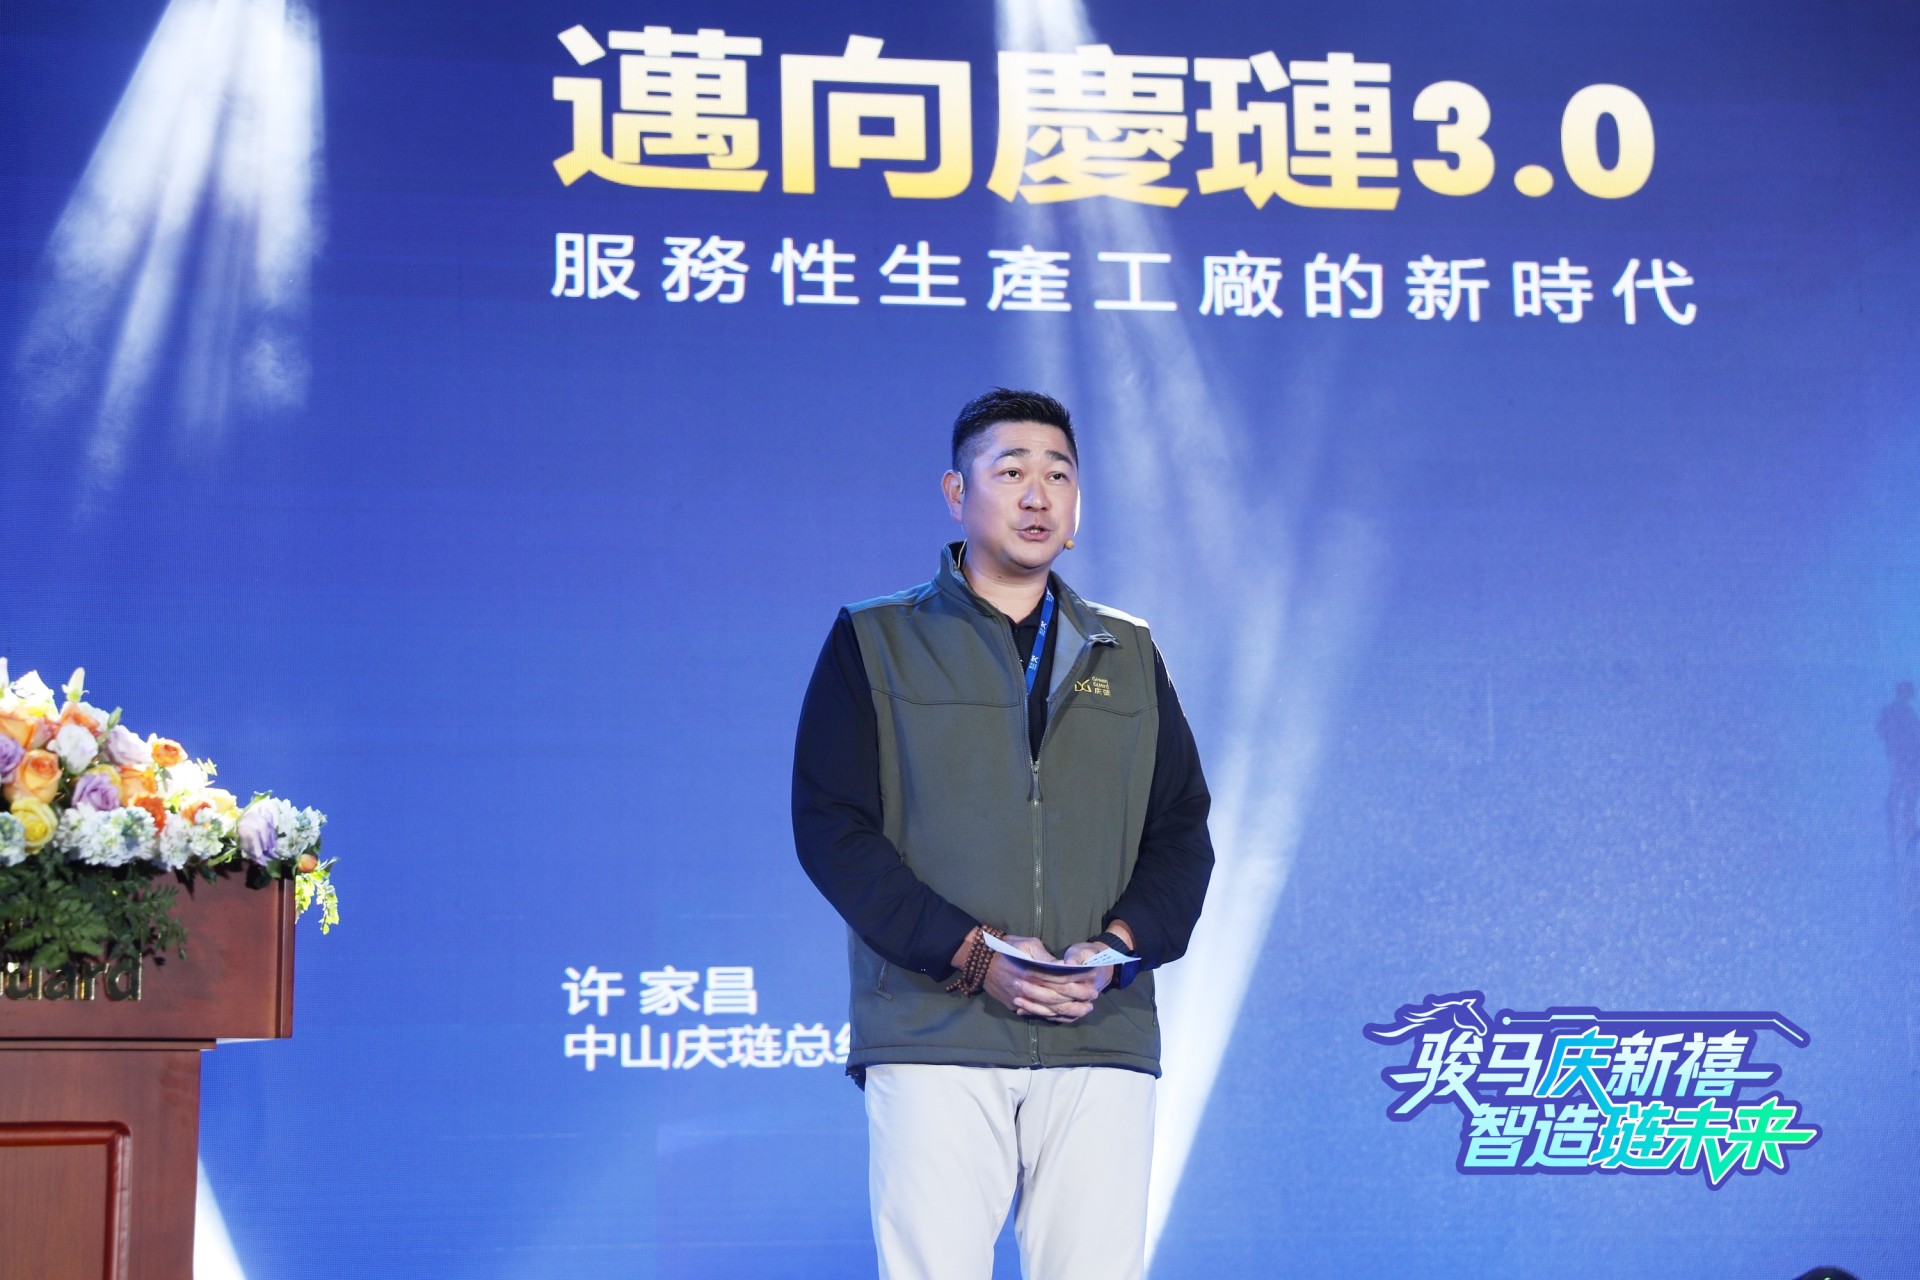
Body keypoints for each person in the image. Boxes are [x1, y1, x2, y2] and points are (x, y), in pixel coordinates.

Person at [792, 388, 1215, 1280]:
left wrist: (1118, 948)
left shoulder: (1130, 652)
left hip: (1097, 1031)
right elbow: (833, 829)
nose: (1036, 495)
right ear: (957, 493)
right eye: (1010, 470)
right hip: (935, 1029)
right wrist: (974, 954)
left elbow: (1181, 831)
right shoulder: (876, 639)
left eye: (1058, 475)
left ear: (1077, 506)